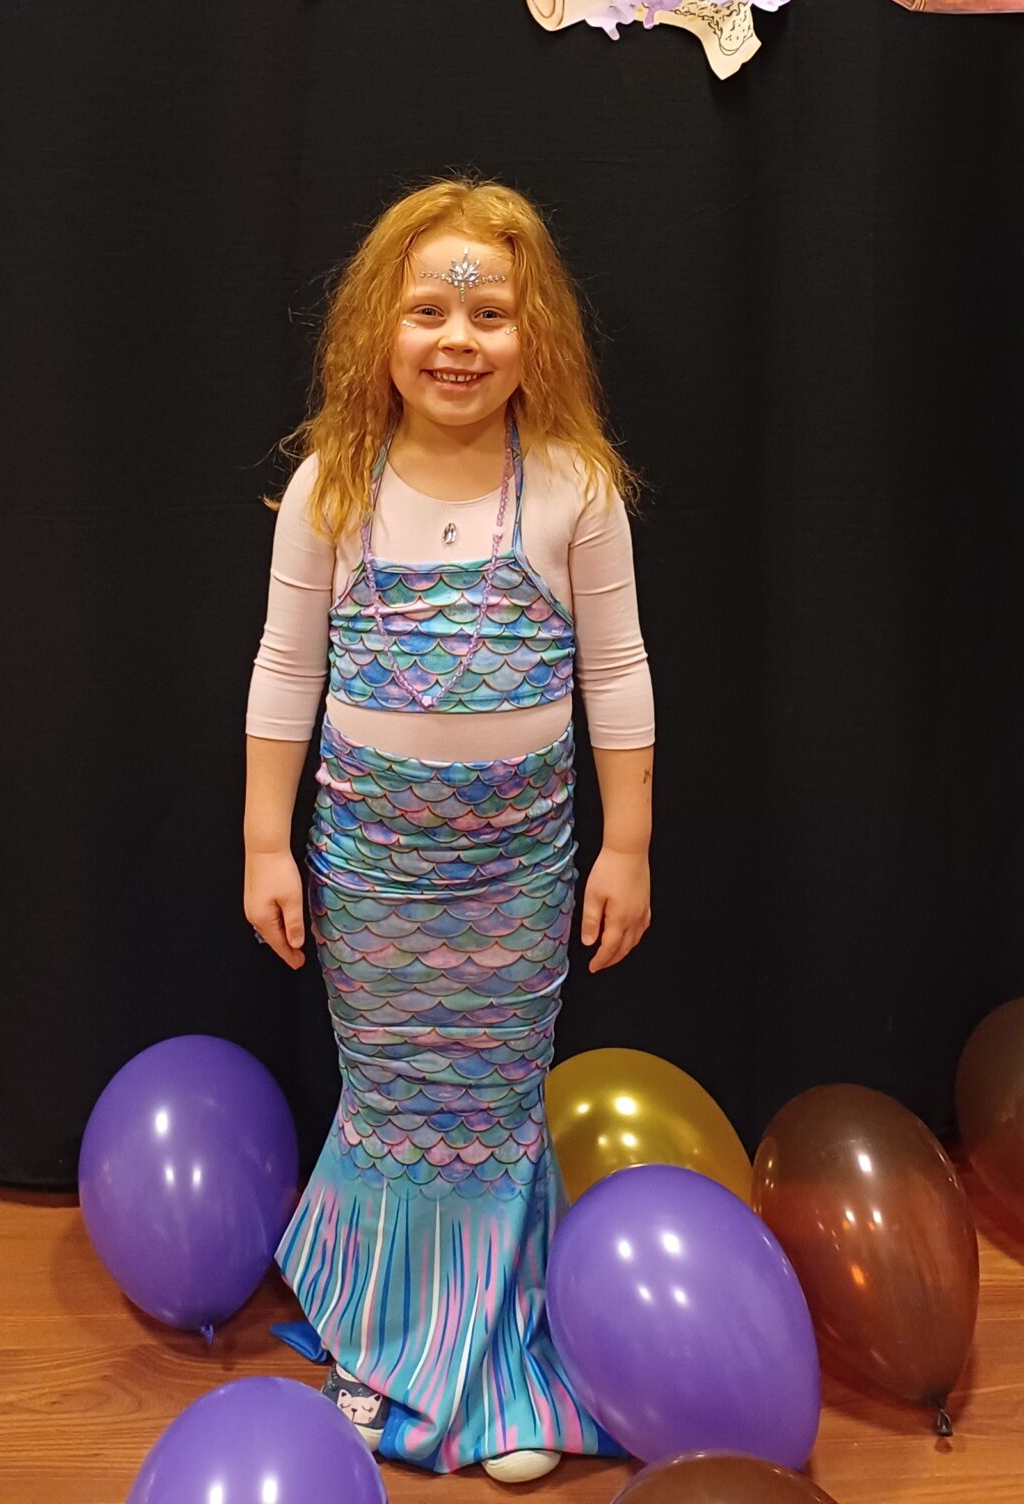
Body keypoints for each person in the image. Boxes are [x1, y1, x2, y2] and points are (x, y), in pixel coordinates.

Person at [244, 179, 655, 1484]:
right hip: (371, 874)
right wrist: (265, 844)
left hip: (517, 876)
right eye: (428, 310)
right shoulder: (331, 487)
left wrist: (627, 846)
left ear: (538, 337)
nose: (458, 339)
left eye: (491, 312)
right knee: (394, 1103)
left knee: (491, 1107)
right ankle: (382, 1344)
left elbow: (619, 673)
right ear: (381, 326)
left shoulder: (576, 489)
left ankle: (498, 1356)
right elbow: (285, 671)